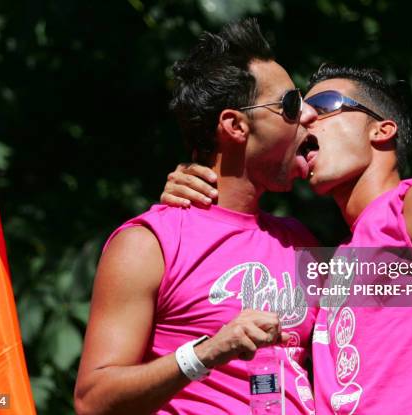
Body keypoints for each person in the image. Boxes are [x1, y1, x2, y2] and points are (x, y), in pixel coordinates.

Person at [161, 65, 412, 413]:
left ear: (381, 130)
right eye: (300, 109)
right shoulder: (325, 259)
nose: (306, 119)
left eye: (323, 107)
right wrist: (200, 185)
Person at [74, 19, 320, 415]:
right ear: (236, 126)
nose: (308, 114)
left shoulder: (302, 241)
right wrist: (207, 352)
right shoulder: (149, 243)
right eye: (290, 105)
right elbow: (93, 400)